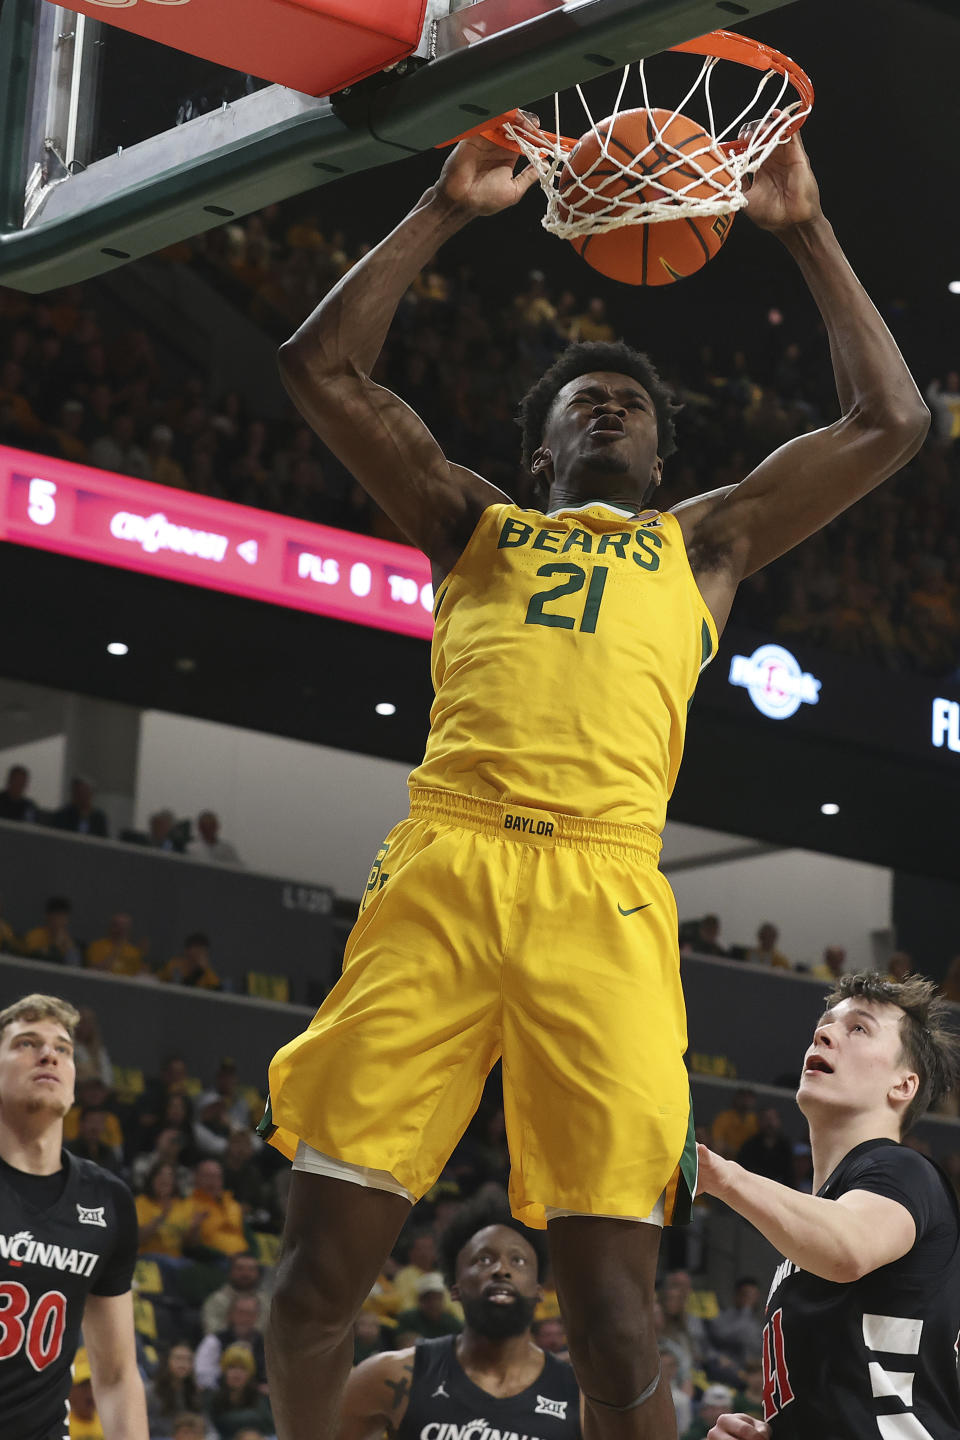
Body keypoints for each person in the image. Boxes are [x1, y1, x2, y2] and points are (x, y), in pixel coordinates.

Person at [259, 119, 930, 1440]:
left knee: (617, 1315)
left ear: (663, 460)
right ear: (542, 450)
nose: (611, 403)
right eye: (584, 401)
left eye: (631, 403)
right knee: (314, 1276)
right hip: (446, 871)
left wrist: (804, 231)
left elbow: (892, 420)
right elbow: (318, 366)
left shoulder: (708, 542)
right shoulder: (474, 526)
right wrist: (446, 207)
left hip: (606, 894)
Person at [699, 972, 960, 1438]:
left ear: (903, 1085)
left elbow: (848, 1248)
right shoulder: (814, 1226)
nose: (823, 1034)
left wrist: (724, 1176)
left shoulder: (904, 1171)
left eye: (858, 1028)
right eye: (825, 1024)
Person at [0, 993, 148, 1439]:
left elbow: (118, 1374)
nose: (49, 1054)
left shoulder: (108, 1201)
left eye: (63, 1049)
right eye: (26, 1043)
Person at [336, 1198, 580, 1440]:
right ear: (455, 1286)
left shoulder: (579, 1397)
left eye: (518, 1260)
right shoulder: (390, 1375)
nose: (501, 1270)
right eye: (484, 1259)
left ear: (538, 1290)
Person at [394, 1271, 464, 1339]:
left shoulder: (452, 1323)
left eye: (437, 1298)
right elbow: (405, 1345)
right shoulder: (408, 1319)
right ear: (420, 1300)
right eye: (429, 1298)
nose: (434, 1303)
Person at [736, 1108, 794, 1186]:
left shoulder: (785, 1146)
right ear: (759, 1122)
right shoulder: (750, 1145)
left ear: (779, 1121)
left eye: (772, 1119)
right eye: (765, 1119)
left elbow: (789, 1174)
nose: (769, 1123)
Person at [22, 895, 83, 967]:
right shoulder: (34, 936)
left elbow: (75, 968)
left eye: (64, 917)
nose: (61, 921)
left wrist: (68, 948)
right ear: (48, 917)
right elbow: (33, 961)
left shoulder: (67, 941)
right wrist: (55, 946)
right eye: (58, 916)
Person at [85, 913, 148, 977]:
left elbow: (138, 974)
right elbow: (94, 970)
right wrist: (117, 949)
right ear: (110, 927)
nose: (120, 930)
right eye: (117, 925)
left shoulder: (134, 951)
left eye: (124, 927)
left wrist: (142, 954)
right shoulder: (97, 946)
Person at [710, 1090, 759, 1160]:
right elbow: (717, 1144)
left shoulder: (756, 1120)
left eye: (750, 1098)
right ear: (736, 1099)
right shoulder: (724, 1117)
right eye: (743, 1097)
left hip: (748, 1162)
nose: (746, 1101)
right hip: (725, 1160)